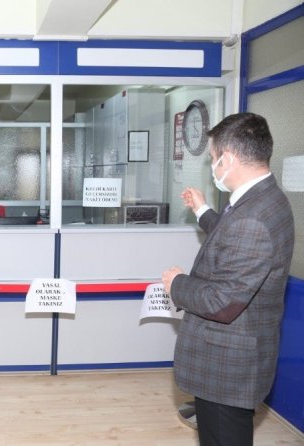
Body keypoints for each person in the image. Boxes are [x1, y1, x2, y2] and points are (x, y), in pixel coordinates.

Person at [161, 112, 294, 446]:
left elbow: (222, 302)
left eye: (213, 159)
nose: (213, 167)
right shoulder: (265, 199)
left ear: (229, 159)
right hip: (237, 359)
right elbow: (233, 242)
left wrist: (177, 284)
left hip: (227, 366)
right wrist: (203, 211)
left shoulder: (253, 219)